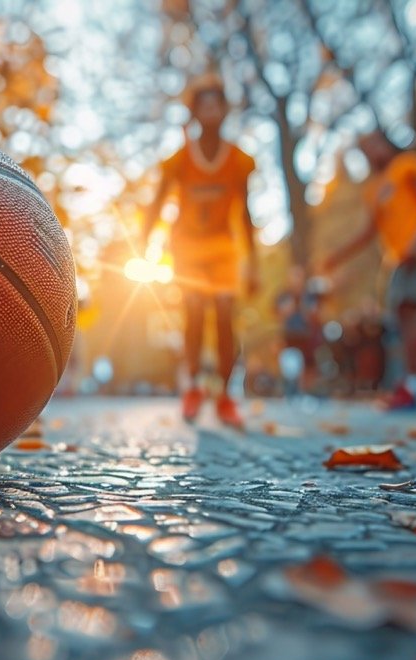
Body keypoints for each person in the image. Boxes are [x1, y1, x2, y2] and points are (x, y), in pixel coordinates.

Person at [139, 75, 259, 427]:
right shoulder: (179, 160)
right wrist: (143, 242)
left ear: (224, 111)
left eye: (216, 104)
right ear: (194, 112)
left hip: (222, 246)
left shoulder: (237, 160)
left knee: (224, 313)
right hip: (187, 244)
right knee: (193, 311)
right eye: (203, 105)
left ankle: (224, 394)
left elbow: (246, 213)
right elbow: (158, 202)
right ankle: (191, 386)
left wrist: (251, 263)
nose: (210, 111)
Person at [322, 130, 416, 410]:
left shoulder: (407, 165)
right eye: (364, 149)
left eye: (374, 143)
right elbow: (370, 231)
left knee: (406, 312)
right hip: (396, 257)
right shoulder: (375, 187)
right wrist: (338, 256)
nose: (371, 152)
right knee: (401, 318)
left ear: (387, 142)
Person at [276, 265, 322, 396]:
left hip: (307, 335)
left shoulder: (309, 295)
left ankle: (305, 392)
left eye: (299, 276)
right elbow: (279, 314)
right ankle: (291, 390)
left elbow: (315, 314)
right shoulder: (283, 295)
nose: (296, 280)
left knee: (308, 364)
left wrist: (303, 307)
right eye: (293, 276)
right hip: (290, 335)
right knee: (290, 365)